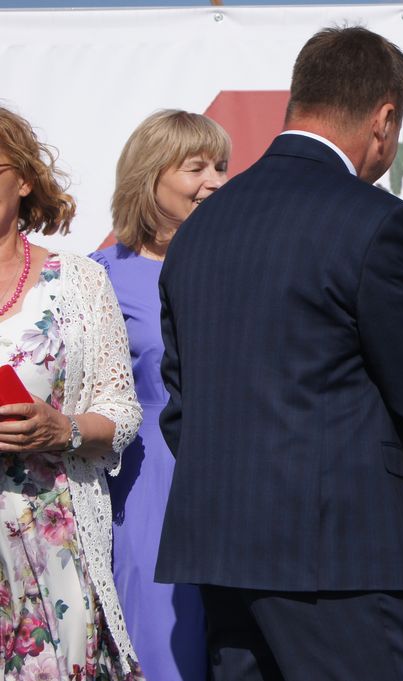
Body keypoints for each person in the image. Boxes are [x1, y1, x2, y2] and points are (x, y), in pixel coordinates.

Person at [155, 27, 403, 681]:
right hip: (342, 553)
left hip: (222, 551)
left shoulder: (198, 228)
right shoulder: (374, 220)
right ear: (384, 119)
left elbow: (182, 407)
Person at [0, 106, 143, 678]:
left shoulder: (79, 280)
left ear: (24, 179)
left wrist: (65, 429)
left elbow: (122, 412)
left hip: (51, 541)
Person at [90, 109, 229, 681]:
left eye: (221, 166)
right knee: (164, 651)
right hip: (149, 481)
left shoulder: (239, 264)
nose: (215, 181)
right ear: (150, 179)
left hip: (240, 479)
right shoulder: (99, 276)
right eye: (196, 168)